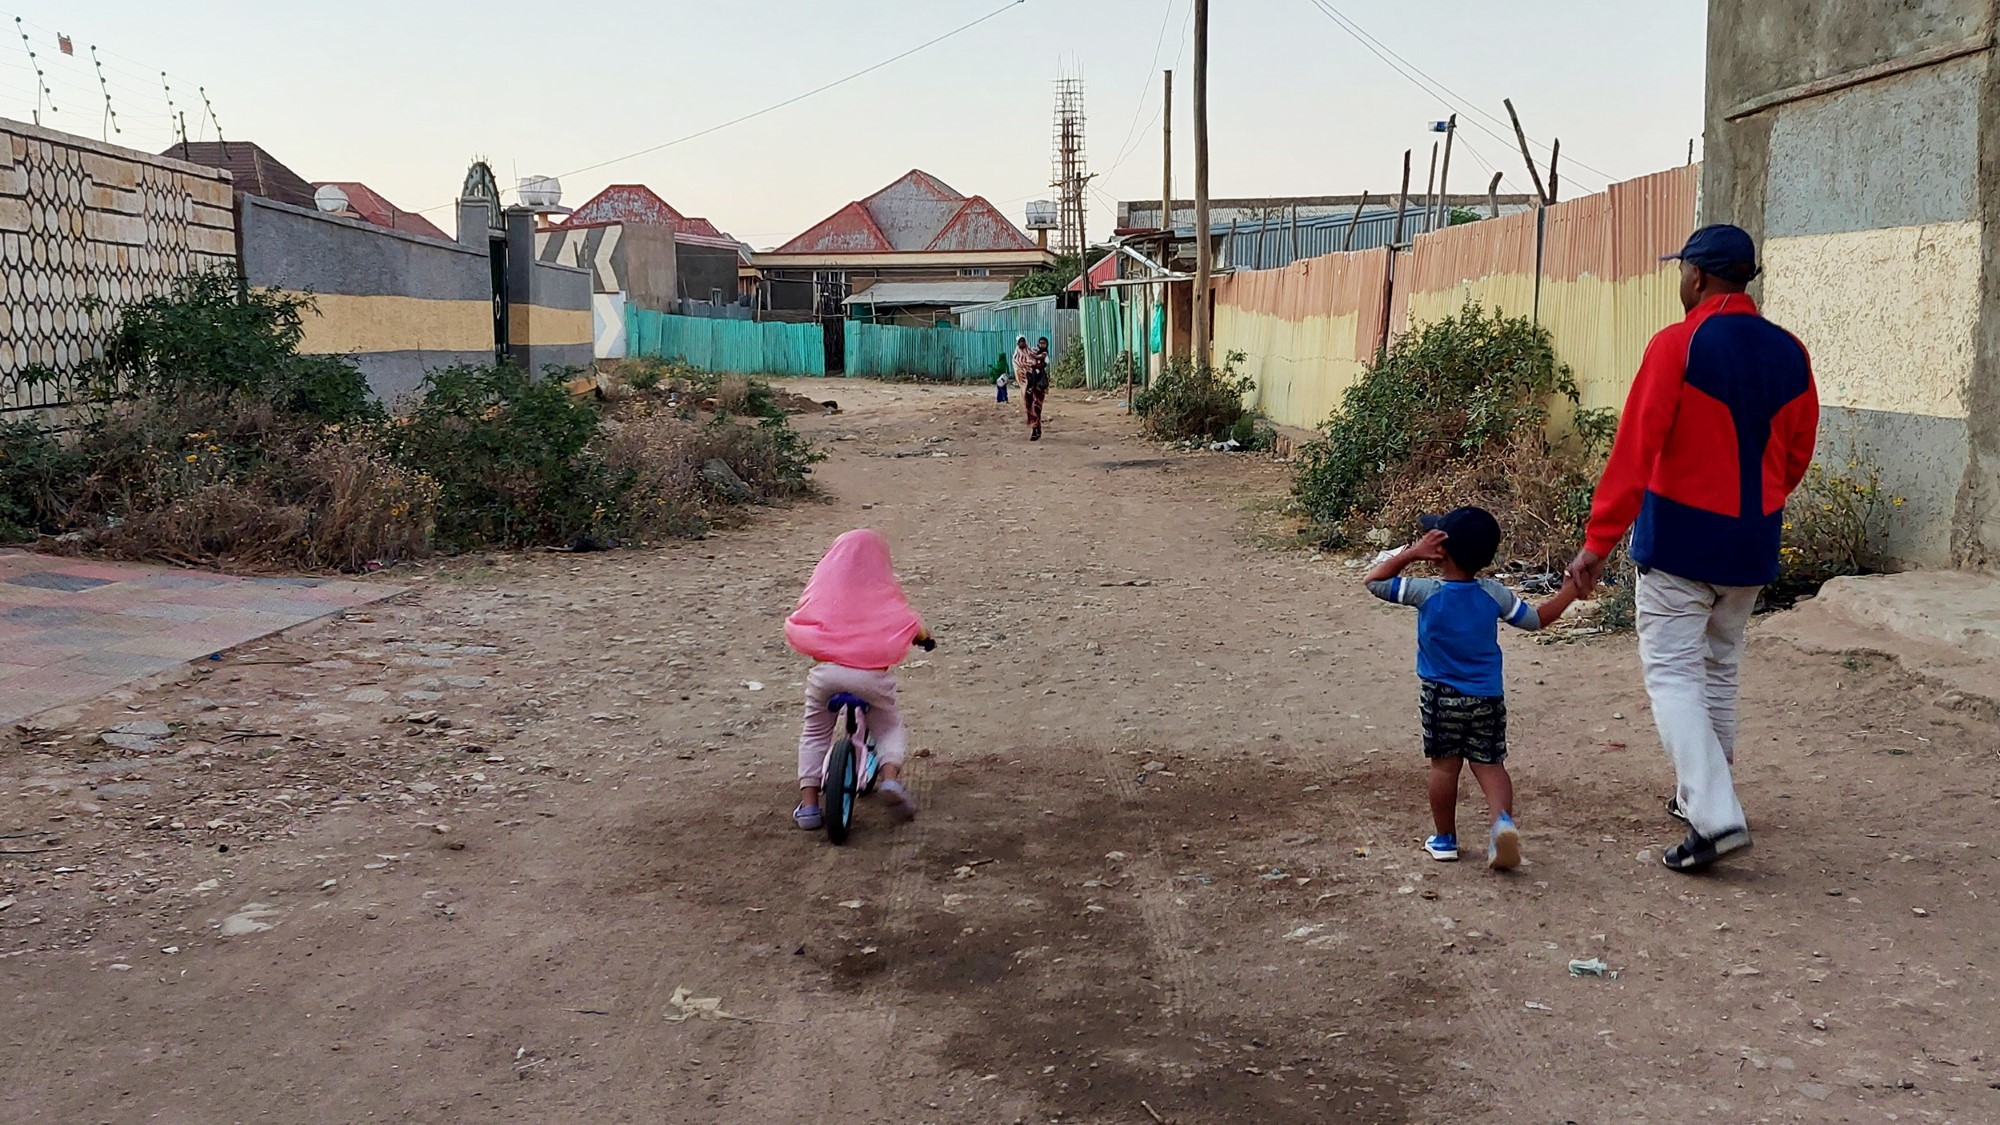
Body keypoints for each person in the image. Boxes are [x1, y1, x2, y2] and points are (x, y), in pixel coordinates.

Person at [1565, 224, 1817, 873]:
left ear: (1699, 276)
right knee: (1719, 666)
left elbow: (1635, 451)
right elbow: (1796, 453)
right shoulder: (1791, 352)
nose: (1680, 281)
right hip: (1751, 540)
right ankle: (1704, 796)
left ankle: (1714, 816)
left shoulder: (1678, 344)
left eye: (1682, 271)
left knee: (1674, 673)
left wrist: (1598, 542)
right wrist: (1758, 506)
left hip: (1680, 539)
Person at [1367, 507, 1578, 869]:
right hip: (1487, 698)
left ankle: (1445, 839)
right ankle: (1502, 827)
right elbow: (1537, 620)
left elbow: (1375, 581)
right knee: (1491, 765)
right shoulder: (1493, 594)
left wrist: (1412, 552)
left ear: (1441, 551)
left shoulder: (1426, 592)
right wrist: (1570, 591)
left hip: (1440, 698)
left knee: (1444, 768)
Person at [784, 530, 933, 830]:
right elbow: (911, 625)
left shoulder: (821, 589)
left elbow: (801, 619)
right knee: (888, 725)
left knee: (814, 732)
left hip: (827, 674)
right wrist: (925, 639)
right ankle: (890, 780)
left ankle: (810, 805)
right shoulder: (883, 593)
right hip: (871, 677)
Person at [1024, 336, 1051, 441]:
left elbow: (1040, 363)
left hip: (1040, 386)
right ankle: (1036, 431)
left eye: (1044, 343)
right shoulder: (1037, 353)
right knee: (1032, 408)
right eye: (1041, 343)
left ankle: (1036, 431)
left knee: (1036, 408)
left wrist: (1032, 357)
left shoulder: (1045, 355)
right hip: (1033, 386)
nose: (1042, 345)